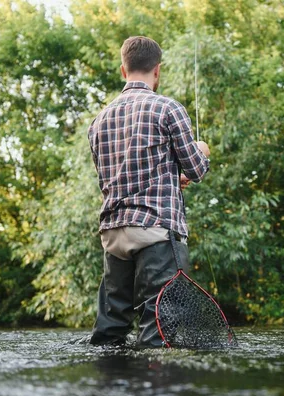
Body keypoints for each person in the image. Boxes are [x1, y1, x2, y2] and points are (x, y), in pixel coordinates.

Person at [87, 36, 210, 347]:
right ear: (157, 71)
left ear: (122, 70)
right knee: (159, 329)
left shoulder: (99, 120)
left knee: (111, 331)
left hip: (114, 236)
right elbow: (195, 169)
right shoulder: (168, 108)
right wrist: (202, 151)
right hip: (156, 232)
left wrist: (171, 176)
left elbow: (120, 174)